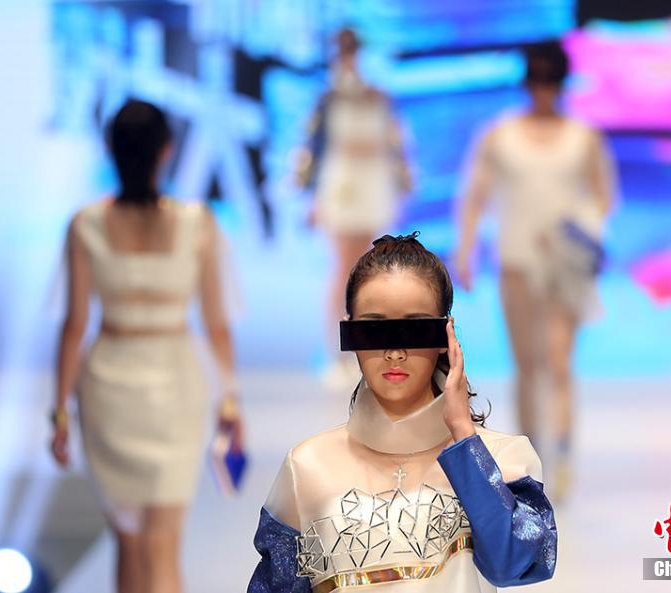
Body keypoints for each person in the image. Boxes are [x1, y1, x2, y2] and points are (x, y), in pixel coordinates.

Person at [247, 234, 557, 592]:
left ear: (446, 335)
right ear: (349, 331)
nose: (395, 351)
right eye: (373, 330)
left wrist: (463, 434)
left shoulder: (504, 460)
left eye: (414, 329)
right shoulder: (306, 467)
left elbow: (513, 565)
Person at [50, 99, 243, 593]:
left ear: (111, 149)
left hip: (109, 388)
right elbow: (217, 325)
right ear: (166, 151)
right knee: (163, 544)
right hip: (175, 386)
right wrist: (230, 401)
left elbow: (74, 326)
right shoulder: (198, 224)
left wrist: (60, 413)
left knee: (130, 542)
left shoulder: (85, 224)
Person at [454, 40, 617, 501]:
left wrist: (578, 230)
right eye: (537, 80)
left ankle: (562, 457)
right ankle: (534, 459)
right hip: (517, 261)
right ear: (527, 83)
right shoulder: (500, 135)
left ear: (561, 83)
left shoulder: (583, 137)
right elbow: (475, 194)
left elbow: (603, 195)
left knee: (559, 362)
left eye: (551, 81)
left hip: (565, 264)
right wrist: (466, 248)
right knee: (527, 365)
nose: (544, 90)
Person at [295, 28, 413, 388]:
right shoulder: (328, 99)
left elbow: (396, 142)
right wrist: (310, 195)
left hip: (372, 184)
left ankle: (366, 351)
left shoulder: (379, 98)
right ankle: (336, 352)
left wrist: (403, 179)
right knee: (342, 269)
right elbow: (312, 147)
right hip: (342, 183)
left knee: (368, 270)